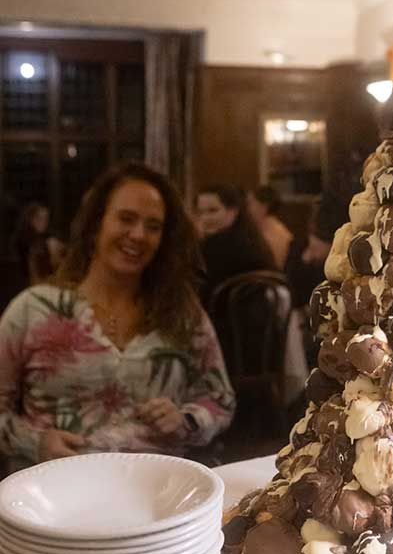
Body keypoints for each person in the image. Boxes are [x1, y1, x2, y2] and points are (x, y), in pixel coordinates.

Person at [0, 162, 235, 475]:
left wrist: (185, 420)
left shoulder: (183, 313)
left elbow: (220, 399)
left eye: (153, 226)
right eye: (126, 219)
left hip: (158, 492)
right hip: (55, 494)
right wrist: (35, 442)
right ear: (96, 223)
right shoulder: (34, 310)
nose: (138, 235)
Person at [194, 184, 276, 300]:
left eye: (213, 211)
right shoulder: (252, 238)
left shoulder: (215, 244)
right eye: (200, 212)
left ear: (233, 212)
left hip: (227, 314)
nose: (205, 218)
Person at [12, 203, 65, 285]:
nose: (44, 222)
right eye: (40, 218)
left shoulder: (49, 237)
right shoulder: (23, 241)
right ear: (30, 220)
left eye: (46, 219)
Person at [246, 185, 293, 270]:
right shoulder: (258, 230)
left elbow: (271, 269)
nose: (245, 208)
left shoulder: (277, 234)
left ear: (263, 207)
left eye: (250, 203)